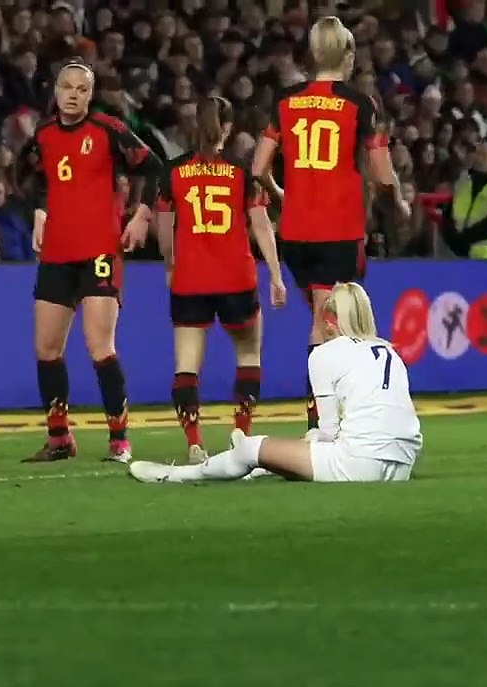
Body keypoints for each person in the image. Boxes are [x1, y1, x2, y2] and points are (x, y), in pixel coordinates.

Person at [251, 16, 409, 431]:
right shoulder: (360, 104)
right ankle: (321, 424)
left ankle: (328, 418)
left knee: (327, 321)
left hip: (295, 233)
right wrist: (399, 203)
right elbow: (382, 174)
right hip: (336, 229)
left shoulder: (285, 101)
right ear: (348, 54)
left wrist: (282, 193)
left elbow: (258, 167)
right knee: (327, 325)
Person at [128, 283, 422, 484]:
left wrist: (306, 441)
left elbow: (329, 433)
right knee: (287, 454)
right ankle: (261, 464)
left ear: (330, 322)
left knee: (250, 449)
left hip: (358, 463)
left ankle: (176, 475)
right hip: (403, 466)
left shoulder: (325, 353)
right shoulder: (389, 351)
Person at [16, 59, 161, 464]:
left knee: (100, 346)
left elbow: (155, 167)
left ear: (90, 94)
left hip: (100, 251)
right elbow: (28, 177)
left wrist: (142, 214)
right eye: (67, 87)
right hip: (57, 253)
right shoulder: (43, 135)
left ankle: (119, 440)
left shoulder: (107, 130)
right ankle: (59, 437)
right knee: (46, 348)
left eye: (82, 88)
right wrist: (39, 210)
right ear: (56, 91)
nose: (73, 94)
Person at [154, 96, 288, 463]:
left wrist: (170, 265)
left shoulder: (172, 171)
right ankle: (241, 436)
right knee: (248, 354)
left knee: (186, 364)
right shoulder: (241, 172)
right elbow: (261, 225)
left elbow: (164, 231)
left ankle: (194, 443)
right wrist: (276, 275)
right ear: (227, 128)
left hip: (190, 279)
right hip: (236, 279)